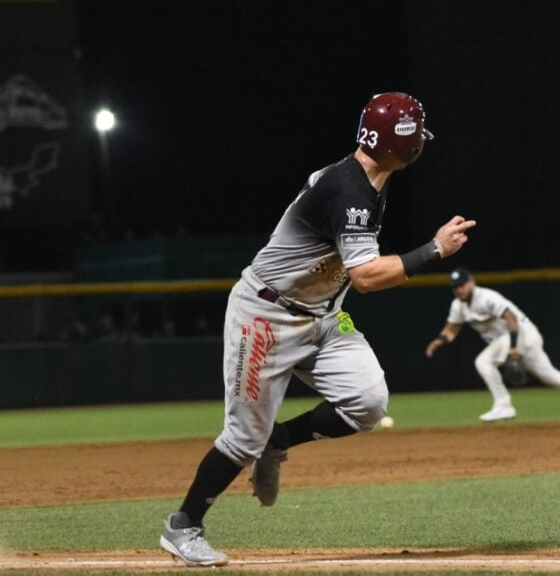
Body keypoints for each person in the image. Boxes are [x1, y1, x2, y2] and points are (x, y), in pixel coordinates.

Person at [159, 92, 476, 567]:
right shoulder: (351, 191)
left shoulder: (368, 176)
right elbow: (367, 277)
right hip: (266, 316)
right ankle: (183, 526)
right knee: (242, 439)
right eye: (417, 137)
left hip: (323, 315)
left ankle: (279, 441)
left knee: (368, 402)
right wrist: (432, 249)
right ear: (403, 145)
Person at [424, 268, 560, 427]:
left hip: (522, 335)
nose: (459, 289)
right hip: (513, 339)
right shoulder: (458, 306)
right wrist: (440, 340)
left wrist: (513, 348)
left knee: (483, 361)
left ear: (471, 282)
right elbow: (452, 329)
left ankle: (503, 405)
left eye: (462, 285)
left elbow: (511, 317)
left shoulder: (486, 297)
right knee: (551, 376)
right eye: (455, 287)